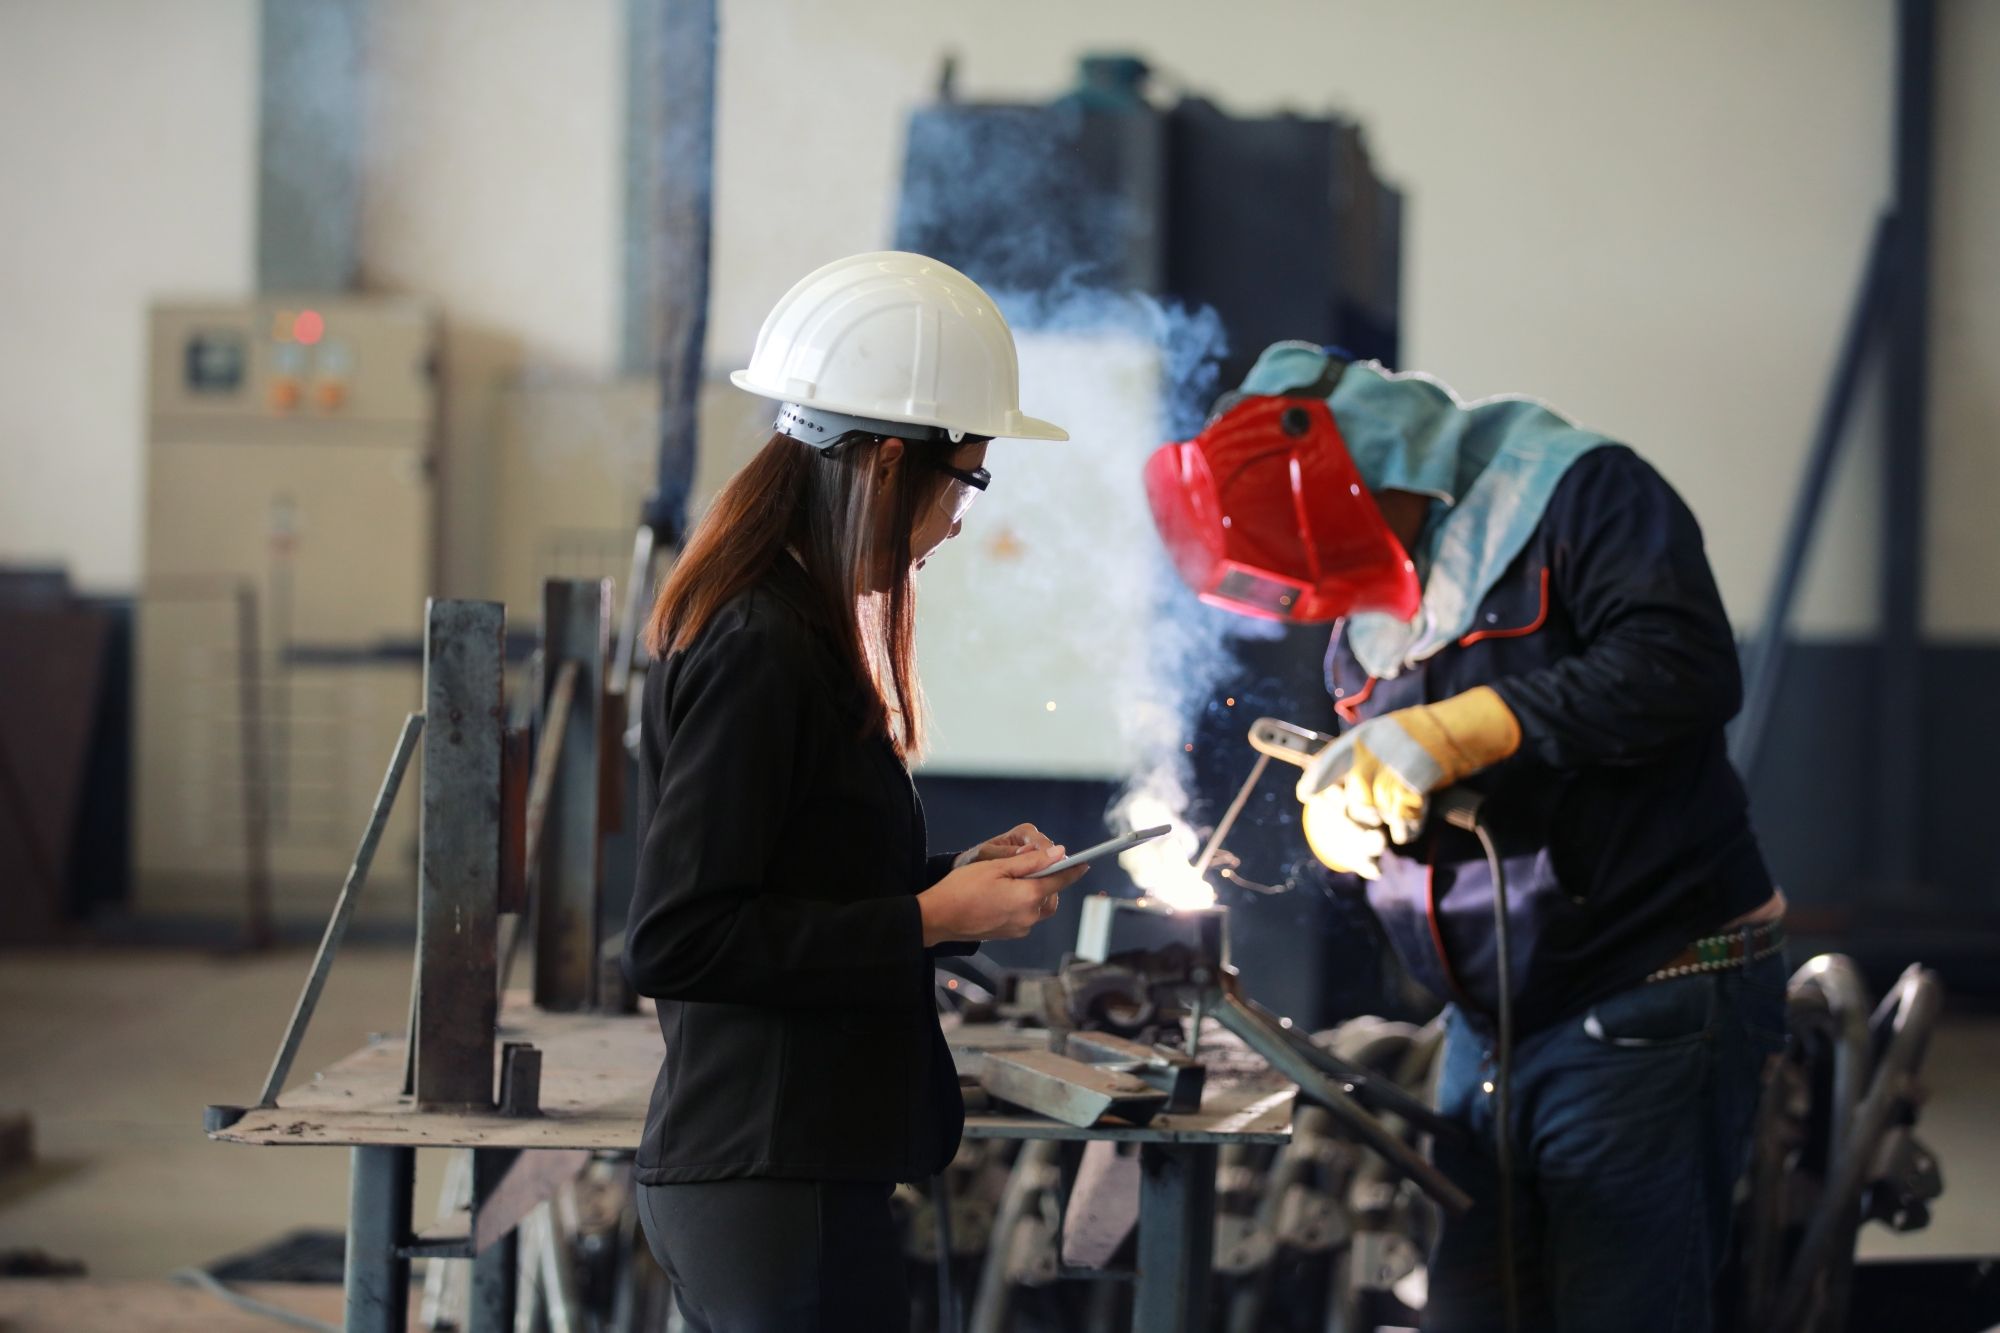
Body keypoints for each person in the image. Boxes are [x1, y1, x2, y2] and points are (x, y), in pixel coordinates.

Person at [1144, 342, 1789, 1331]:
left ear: (1379, 470)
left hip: (1642, 990)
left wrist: (1462, 728)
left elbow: (1681, 667)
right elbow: (1394, 761)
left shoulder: (1581, 494)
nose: (1354, 587)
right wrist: (1344, 812)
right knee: (1472, 1312)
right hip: (1486, 1025)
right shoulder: (1378, 598)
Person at [622, 251, 1091, 1333]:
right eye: (966, 477)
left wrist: (945, 885)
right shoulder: (762, 644)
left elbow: (789, 878)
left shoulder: (788, 629)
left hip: (796, 1171)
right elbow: (679, 935)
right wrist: (929, 917)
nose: (962, 518)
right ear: (886, 462)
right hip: (766, 1174)